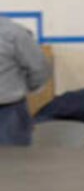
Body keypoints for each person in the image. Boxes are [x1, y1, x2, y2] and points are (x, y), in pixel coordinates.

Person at [0, 16, 52, 146]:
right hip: (10, 109)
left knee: (16, 162)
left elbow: (39, 68)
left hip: (8, 113)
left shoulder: (14, 34)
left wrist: (25, 88)